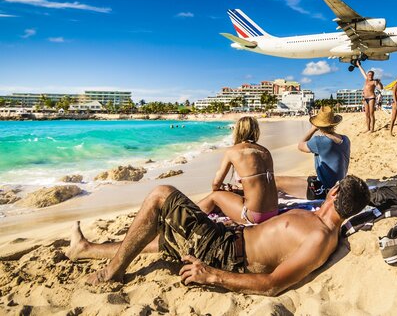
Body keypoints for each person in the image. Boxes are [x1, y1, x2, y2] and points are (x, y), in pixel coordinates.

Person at [66, 176, 370, 295]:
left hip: (224, 253)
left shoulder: (320, 237)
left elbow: (273, 284)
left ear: (333, 192)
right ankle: (86, 248)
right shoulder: (319, 221)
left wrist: (212, 276)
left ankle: (110, 273)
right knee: (160, 239)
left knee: (161, 194)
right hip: (226, 238)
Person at [196, 117, 278, 225]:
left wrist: (223, 189)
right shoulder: (265, 151)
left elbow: (215, 185)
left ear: (237, 130)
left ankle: (187, 217)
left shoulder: (233, 151)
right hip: (273, 212)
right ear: (256, 130)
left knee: (214, 196)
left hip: (254, 215)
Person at [275, 106, 350, 199]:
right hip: (339, 185)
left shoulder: (320, 141)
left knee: (276, 181)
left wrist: (312, 129)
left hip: (324, 190)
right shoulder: (345, 139)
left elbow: (300, 145)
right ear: (334, 124)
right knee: (297, 178)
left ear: (319, 125)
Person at [357, 62, 383, 132]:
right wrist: (359, 65)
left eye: (371, 75)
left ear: (373, 75)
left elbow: (381, 88)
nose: (370, 76)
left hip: (371, 98)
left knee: (371, 113)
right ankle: (368, 128)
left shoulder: (374, 81)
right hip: (365, 98)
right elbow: (362, 72)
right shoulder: (366, 79)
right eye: (369, 74)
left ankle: (372, 129)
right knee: (367, 114)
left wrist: (379, 82)